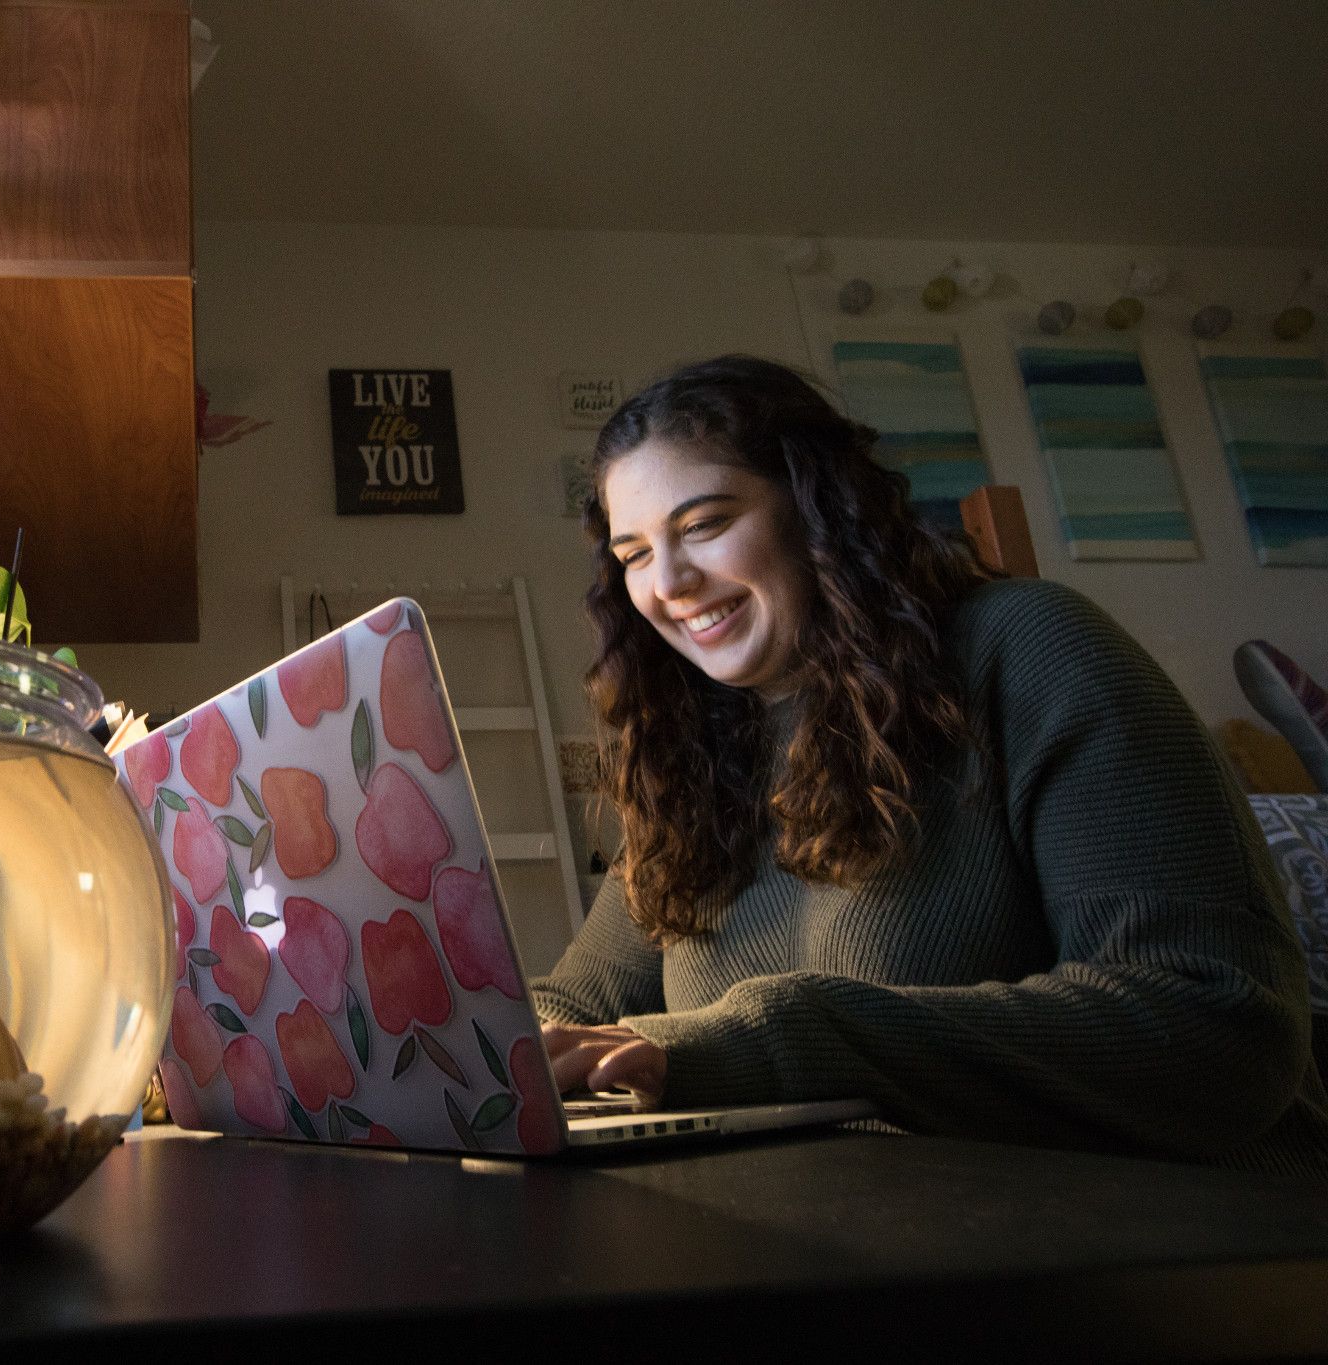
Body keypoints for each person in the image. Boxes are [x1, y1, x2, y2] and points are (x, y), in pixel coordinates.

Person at [532, 354, 1328, 1178]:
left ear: (815, 509)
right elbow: (579, 1008)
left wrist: (778, 1037)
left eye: (703, 525)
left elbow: (1219, 1030)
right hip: (852, 1237)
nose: (668, 582)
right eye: (632, 553)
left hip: (1190, 1243)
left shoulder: (1029, 648)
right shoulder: (697, 751)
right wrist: (467, 1036)